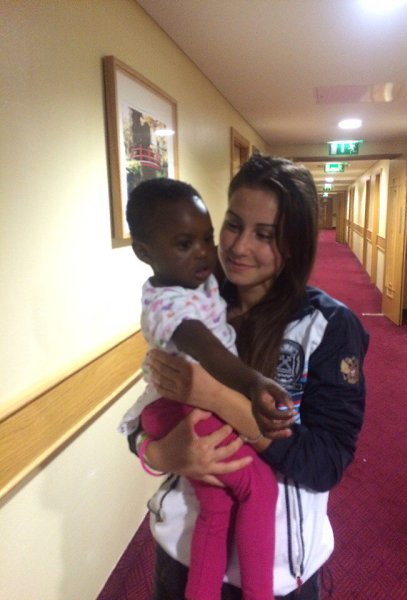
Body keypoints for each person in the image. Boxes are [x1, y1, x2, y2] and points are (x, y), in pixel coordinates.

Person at [132, 155, 369, 600]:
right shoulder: (193, 300)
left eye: (265, 235)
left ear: (293, 244)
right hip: (183, 551)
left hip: (277, 570)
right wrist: (159, 453)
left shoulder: (329, 327)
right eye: (233, 225)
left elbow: (326, 462)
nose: (238, 247)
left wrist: (220, 399)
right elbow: (149, 409)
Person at [120, 177, 294, 600]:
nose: (204, 252)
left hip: (174, 405)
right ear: (144, 252)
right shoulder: (168, 304)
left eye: (206, 237)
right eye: (185, 244)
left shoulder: (193, 277)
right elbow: (207, 349)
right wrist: (253, 382)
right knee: (260, 488)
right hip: (180, 406)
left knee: (216, 507)